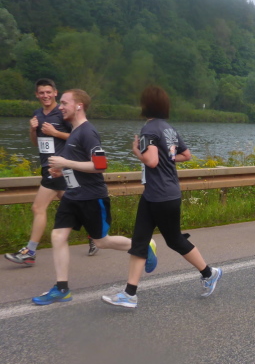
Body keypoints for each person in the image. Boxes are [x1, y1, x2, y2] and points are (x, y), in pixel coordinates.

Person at [31, 89, 158, 305]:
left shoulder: (87, 132)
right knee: (58, 236)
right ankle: (61, 288)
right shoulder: (74, 131)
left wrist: (65, 163)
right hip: (72, 196)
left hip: (91, 197)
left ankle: (143, 245)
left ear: (79, 105)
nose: (60, 107)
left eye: (64, 103)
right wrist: (62, 171)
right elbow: (80, 165)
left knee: (101, 241)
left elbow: (100, 165)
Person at [102, 86, 222, 308]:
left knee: (172, 239)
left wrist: (136, 152)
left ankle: (209, 272)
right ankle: (130, 293)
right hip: (161, 193)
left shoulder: (148, 130)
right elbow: (186, 155)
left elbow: (151, 161)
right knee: (144, 241)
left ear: (145, 105)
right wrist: (167, 158)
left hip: (160, 195)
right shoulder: (169, 129)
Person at [4, 79, 99, 265]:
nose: (45, 96)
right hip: (48, 167)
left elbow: (79, 137)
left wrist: (56, 133)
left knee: (38, 208)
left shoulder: (63, 112)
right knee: (73, 204)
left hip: (59, 167)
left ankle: (30, 251)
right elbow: (36, 143)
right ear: (36, 95)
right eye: (41, 93)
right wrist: (32, 130)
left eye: (48, 92)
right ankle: (95, 235)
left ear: (55, 92)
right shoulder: (37, 114)